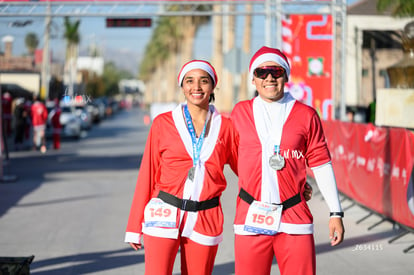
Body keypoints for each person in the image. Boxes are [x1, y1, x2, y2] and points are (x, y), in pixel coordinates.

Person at [230, 46, 344, 275]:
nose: (269, 77)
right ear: (253, 79)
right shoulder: (239, 112)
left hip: (294, 217)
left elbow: (321, 164)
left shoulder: (307, 114)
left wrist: (336, 213)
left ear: (286, 76)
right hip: (251, 217)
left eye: (276, 71)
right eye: (262, 72)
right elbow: (233, 158)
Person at [124, 60, 239, 275]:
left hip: (206, 215)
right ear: (182, 86)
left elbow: (248, 170)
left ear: (213, 86)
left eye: (204, 81)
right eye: (190, 81)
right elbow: (147, 174)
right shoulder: (163, 123)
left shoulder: (227, 127)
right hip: (164, 211)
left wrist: (294, 185)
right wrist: (134, 226)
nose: (196, 87)